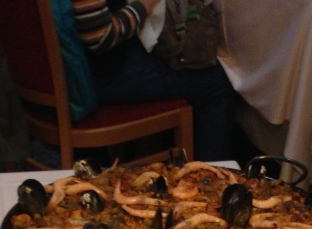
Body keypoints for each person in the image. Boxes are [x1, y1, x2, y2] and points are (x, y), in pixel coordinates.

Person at [73, 0, 237, 162]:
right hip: (94, 78)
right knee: (216, 83)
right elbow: (99, 38)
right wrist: (145, 6)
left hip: (89, 69)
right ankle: (209, 175)